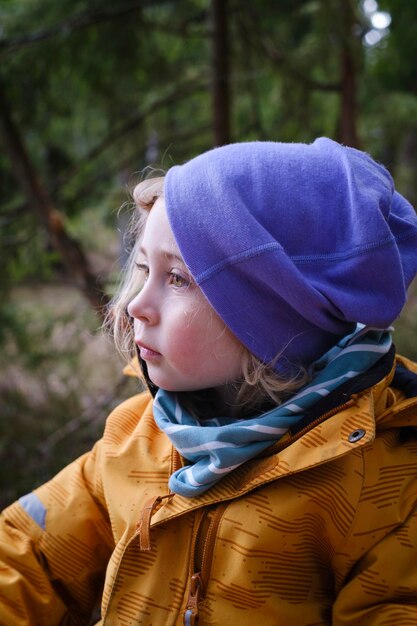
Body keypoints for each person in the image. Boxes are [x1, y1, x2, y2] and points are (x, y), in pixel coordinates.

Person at [1, 137, 417, 626]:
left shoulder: (383, 487)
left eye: (177, 279)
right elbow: (29, 557)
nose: (136, 305)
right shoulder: (139, 436)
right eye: (142, 269)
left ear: (276, 318)